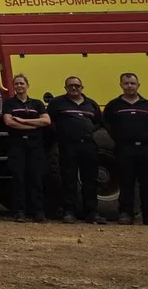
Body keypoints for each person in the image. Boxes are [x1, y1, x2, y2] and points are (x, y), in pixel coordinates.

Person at [104, 72, 148, 225]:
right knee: (125, 182)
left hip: (146, 149)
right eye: (126, 83)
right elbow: (107, 125)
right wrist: (119, 138)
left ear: (138, 85)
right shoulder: (113, 105)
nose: (129, 86)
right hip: (124, 149)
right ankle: (125, 213)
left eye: (132, 83)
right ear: (121, 85)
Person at [47, 76, 106, 224]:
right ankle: (69, 212)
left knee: (90, 180)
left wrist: (88, 132)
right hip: (68, 146)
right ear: (65, 88)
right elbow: (49, 122)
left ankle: (91, 212)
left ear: (82, 87)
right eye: (70, 86)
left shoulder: (91, 104)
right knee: (69, 179)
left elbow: (98, 122)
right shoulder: (57, 103)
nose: (74, 88)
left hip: (88, 145)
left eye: (77, 86)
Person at [1, 74, 50, 223]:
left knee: (36, 177)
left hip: (35, 145)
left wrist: (22, 121)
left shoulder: (37, 103)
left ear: (27, 85)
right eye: (16, 84)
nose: (19, 86)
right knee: (18, 178)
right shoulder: (9, 104)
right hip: (17, 144)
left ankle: (38, 211)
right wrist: (34, 125)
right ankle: (19, 211)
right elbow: (9, 122)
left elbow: (46, 121)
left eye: (21, 83)